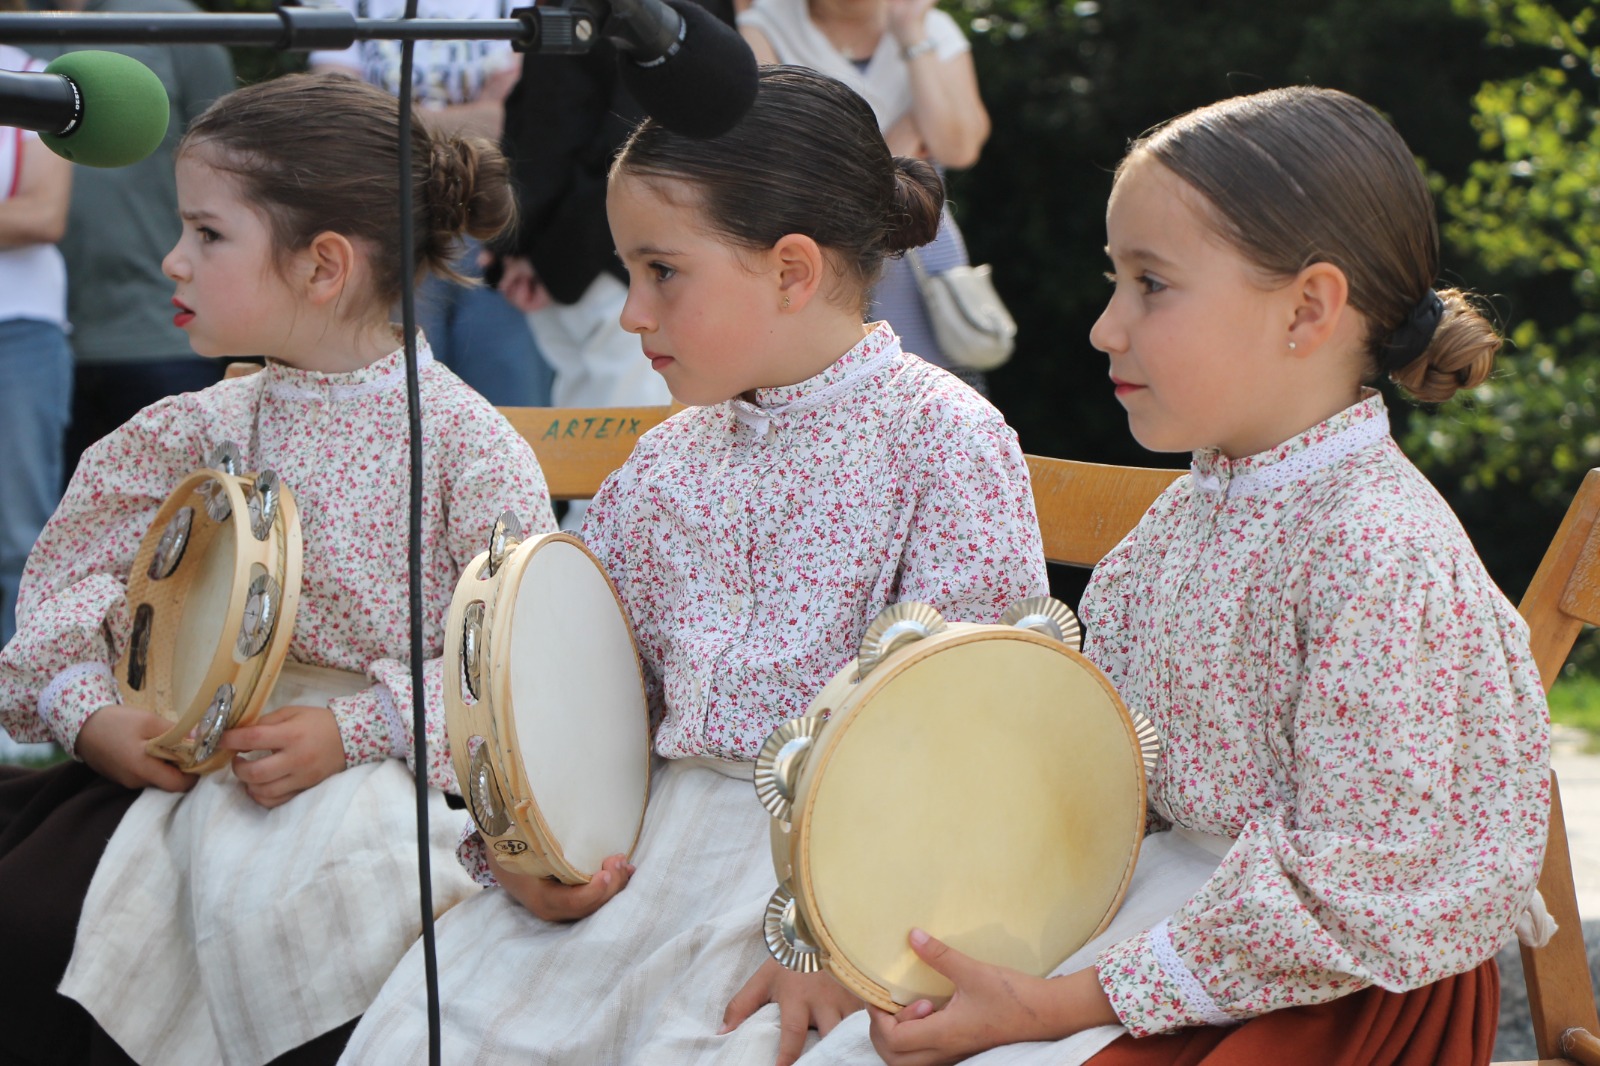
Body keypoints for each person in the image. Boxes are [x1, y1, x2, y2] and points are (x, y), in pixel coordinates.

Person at [780, 86, 1547, 1066]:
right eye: (1116, 281)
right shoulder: (1184, 518)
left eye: (1151, 284)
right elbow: (1091, 777)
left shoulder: (1376, 552)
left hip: (1329, 988)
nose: (1105, 325)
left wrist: (1054, 1004)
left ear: (1306, 309)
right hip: (1175, 917)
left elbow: (1356, 883)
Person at [341, 65, 1049, 1064]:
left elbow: (972, 732)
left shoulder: (943, 441)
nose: (632, 312)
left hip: (827, 875)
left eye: (660, 270)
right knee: (438, 1020)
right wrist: (516, 853)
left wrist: (835, 929)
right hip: (644, 855)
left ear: (791, 270)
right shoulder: (665, 461)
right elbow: (571, 686)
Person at [0, 74, 557, 1066]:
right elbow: (67, 591)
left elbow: (515, 667)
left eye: (207, 234)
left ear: (323, 265)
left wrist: (358, 725)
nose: (171, 258)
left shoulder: (467, 451)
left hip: (382, 783)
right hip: (177, 773)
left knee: (359, 921)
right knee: (40, 917)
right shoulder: (194, 430)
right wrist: (93, 714)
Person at [26, 0, 236, 485]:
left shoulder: (175, 24)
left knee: (184, 538)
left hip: (164, 333)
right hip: (31, 342)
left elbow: (236, 181)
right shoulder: (16, 30)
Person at [738, 0, 994, 393]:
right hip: (822, 249)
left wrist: (911, 36)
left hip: (920, 246)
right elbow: (787, 155)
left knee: (931, 401)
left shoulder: (929, 26)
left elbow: (959, 147)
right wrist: (908, 134)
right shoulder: (765, 26)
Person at [309, 0, 554, 408]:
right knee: (398, 406)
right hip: (387, 224)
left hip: (493, 222)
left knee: (507, 404)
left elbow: (513, 115)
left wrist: (395, 119)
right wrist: (474, 114)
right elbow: (340, 113)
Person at [0, 34, 72, 653]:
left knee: (22, 533)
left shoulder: (33, 76)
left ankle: (21, 698)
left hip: (18, 325)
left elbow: (43, 214)